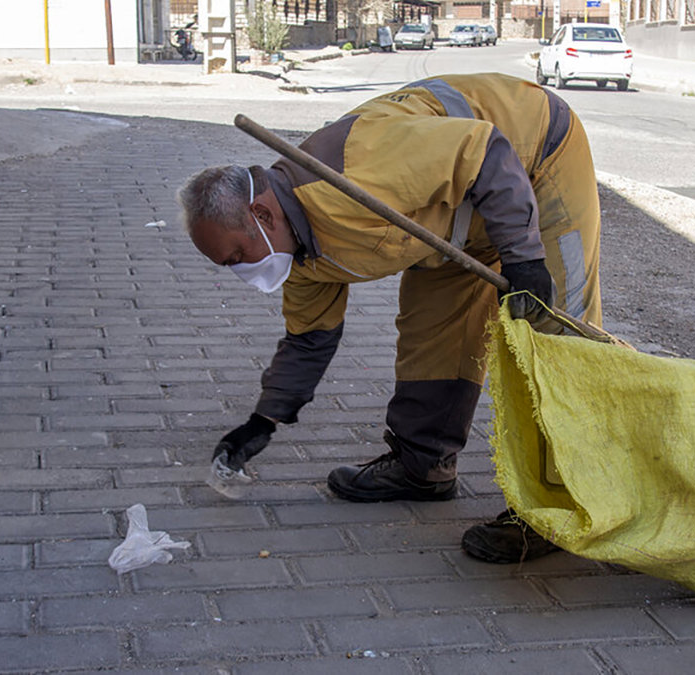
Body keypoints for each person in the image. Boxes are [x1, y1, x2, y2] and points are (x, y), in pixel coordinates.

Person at [177, 73, 601, 563]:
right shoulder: (300, 256)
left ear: (262, 216)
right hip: (452, 213)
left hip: (532, 158)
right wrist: (262, 421)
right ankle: (423, 467)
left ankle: (557, 508)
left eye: (236, 257)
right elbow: (310, 340)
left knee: (556, 335)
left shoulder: (358, 167)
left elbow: (484, 152)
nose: (242, 272)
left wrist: (524, 257)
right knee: (433, 335)